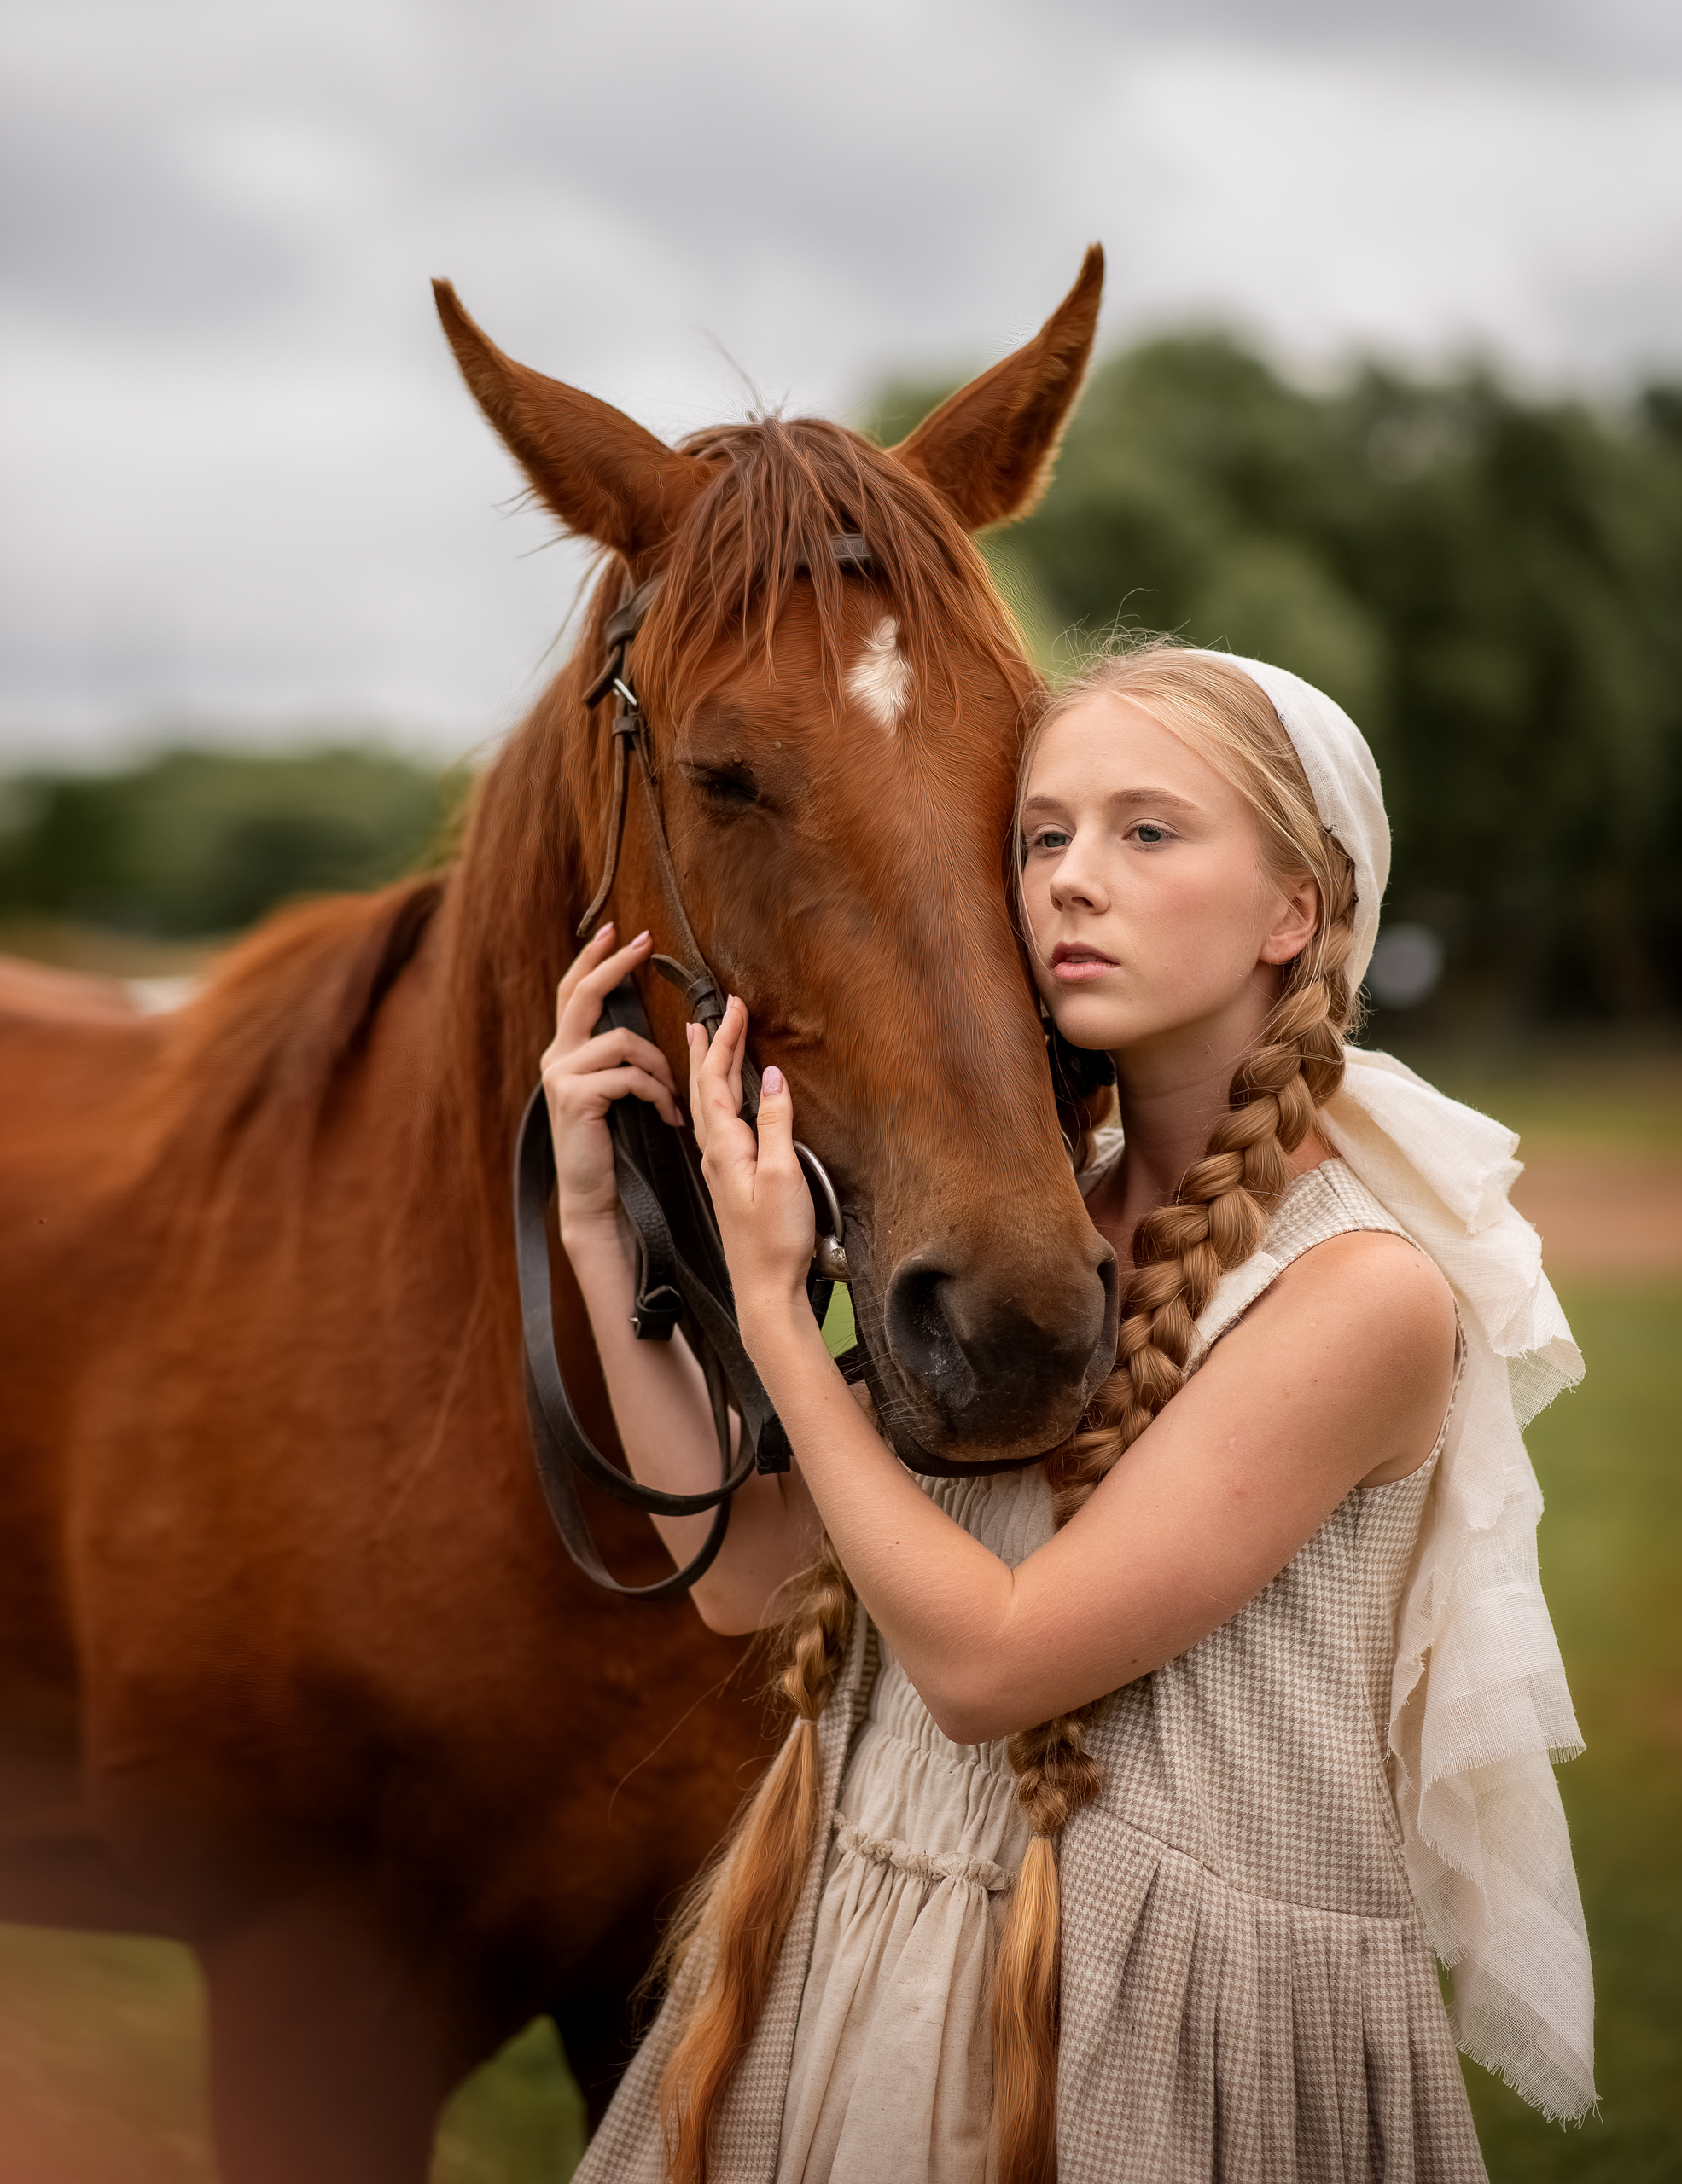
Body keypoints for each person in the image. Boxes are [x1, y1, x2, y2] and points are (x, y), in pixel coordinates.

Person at [548, 644, 1594, 2184]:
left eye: (1146, 832)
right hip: (873, 1954)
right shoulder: (1032, 1254)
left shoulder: (1364, 1291)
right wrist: (592, 1226)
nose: (1067, 886)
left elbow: (988, 1662)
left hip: (1149, 2022)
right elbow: (745, 1580)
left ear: (1296, 910)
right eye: (1043, 837)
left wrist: (778, 1314)